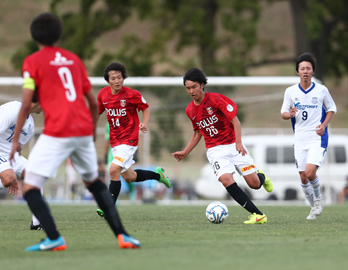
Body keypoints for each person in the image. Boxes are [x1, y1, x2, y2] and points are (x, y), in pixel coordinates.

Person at [9, 13, 140, 251]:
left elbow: (26, 104)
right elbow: (91, 102)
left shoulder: (32, 62)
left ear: (33, 36)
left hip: (59, 130)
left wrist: (15, 139)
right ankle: (123, 236)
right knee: (95, 184)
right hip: (81, 129)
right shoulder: (73, 60)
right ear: (59, 34)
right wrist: (90, 131)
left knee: (30, 186)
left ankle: (53, 238)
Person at [172, 68, 273, 224]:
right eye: (188, 88)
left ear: (202, 85)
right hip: (215, 150)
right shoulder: (190, 110)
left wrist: (238, 142)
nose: (191, 91)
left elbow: (235, 121)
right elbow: (198, 132)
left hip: (233, 145)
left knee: (254, 184)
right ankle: (257, 215)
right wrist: (185, 152)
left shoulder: (217, 100)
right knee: (226, 179)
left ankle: (261, 176)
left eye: (194, 87)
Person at [96, 62, 171, 217]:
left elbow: (145, 109)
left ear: (123, 78)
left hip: (129, 140)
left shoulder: (131, 94)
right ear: (107, 80)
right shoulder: (102, 95)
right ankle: (158, 175)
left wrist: (144, 123)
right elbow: (96, 113)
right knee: (129, 177)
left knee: (113, 170)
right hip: (115, 142)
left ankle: (108, 206)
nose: (117, 81)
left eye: (119, 77)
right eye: (113, 78)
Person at [281, 53, 337, 220]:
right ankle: (313, 207)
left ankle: (318, 199)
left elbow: (331, 108)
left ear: (313, 71)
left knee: (310, 172)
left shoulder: (321, 90)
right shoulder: (290, 91)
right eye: (302, 68)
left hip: (317, 138)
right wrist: (289, 114)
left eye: (308, 68)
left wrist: (324, 125)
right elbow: (283, 113)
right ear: (297, 71)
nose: (305, 71)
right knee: (303, 177)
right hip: (299, 138)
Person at [0, 100, 44, 230]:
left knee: (36, 174)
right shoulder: (13, 109)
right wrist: (8, 171)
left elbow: (17, 148)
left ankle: (38, 223)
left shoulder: (30, 126)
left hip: (10, 156)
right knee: (8, 178)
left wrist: (13, 169)